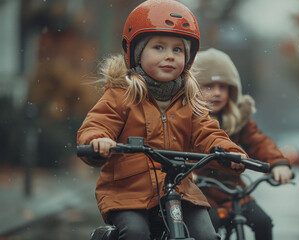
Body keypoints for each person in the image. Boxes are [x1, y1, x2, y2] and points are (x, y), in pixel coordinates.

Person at [76, 2, 247, 240]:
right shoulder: (121, 95)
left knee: (207, 235)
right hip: (129, 192)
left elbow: (208, 133)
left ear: (187, 58)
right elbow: (98, 124)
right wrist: (98, 140)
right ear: (136, 52)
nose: (169, 56)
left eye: (178, 50)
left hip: (181, 190)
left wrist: (228, 152)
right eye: (158, 47)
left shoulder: (190, 100)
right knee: (135, 233)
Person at [192, 48, 293, 240]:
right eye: (209, 86)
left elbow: (259, 142)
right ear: (194, 88)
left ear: (232, 91)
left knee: (263, 221)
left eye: (223, 87)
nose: (217, 93)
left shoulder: (238, 119)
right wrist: (190, 173)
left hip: (233, 192)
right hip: (200, 193)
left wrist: (278, 164)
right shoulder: (188, 119)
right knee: (208, 224)